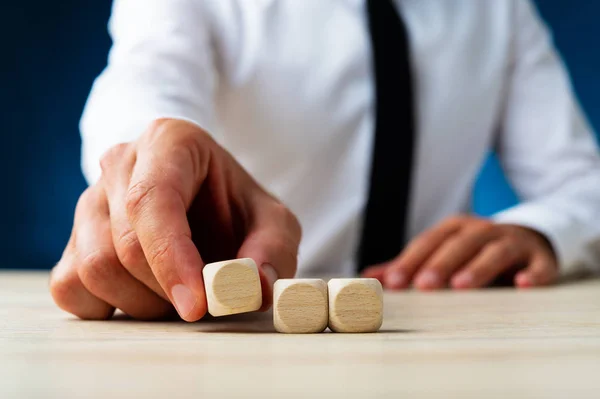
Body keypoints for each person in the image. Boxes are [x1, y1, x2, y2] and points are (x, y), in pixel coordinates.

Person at [50, 0, 600, 322]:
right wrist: (145, 164)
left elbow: (584, 185)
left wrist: (541, 231)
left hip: (436, 325)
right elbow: (145, 80)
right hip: (248, 331)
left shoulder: (498, 10)